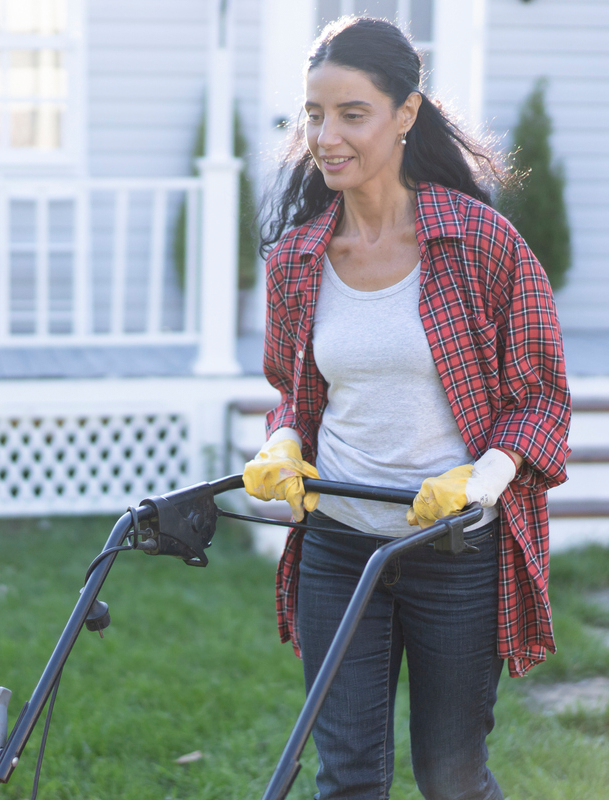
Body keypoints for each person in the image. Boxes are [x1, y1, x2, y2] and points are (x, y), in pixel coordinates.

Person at [242, 17, 571, 800]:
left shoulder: (482, 246)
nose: (326, 136)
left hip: (454, 551)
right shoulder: (298, 258)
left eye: (352, 114)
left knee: (451, 779)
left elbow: (541, 399)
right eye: (315, 115)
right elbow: (295, 390)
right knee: (347, 777)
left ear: (406, 114)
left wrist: (480, 481)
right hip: (338, 543)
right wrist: (284, 441)